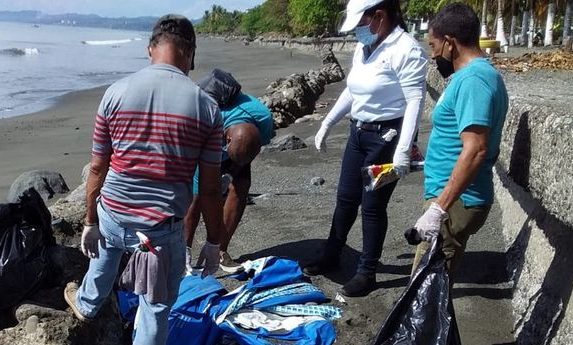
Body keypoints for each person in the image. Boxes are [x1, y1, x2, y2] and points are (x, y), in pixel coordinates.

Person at [63, 15, 224, 345]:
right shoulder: (207, 108)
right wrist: (214, 241)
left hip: (113, 211)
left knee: (105, 255)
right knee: (155, 309)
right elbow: (207, 190)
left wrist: (89, 220)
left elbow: (98, 167)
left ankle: (86, 302)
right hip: (160, 233)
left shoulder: (115, 93)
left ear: (152, 48)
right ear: (188, 53)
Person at [304, 0, 427, 297]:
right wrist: (327, 123)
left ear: (379, 17)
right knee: (346, 198)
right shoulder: (365, 48)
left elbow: (415, 101)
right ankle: (332, 253)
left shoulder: (406, 49)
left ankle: (367, 271)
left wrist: (403, 149)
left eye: (360, 23)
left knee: (372, 207)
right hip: (358, 133)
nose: (357, 31)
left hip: (387, 138)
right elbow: (352, 89)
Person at [411, 2, 509, 276]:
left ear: (450, 43)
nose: (432, 55)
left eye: (433, 45)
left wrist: (438, 209)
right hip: (451, 198)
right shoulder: (470, 77)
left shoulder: (473, 81)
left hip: (456, 202)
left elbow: (476, 149)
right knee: (428, 292)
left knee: (424, 294)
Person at [183, 68, 275, 273]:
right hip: (208, 144)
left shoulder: (263, 119)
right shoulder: (207, 119)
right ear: (227, 139)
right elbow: (200, 194)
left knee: (240, 188)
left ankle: (219, 251)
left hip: (240, 148)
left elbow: (250, 150)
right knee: (197, 198)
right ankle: (184, 252)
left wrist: (233, 172)